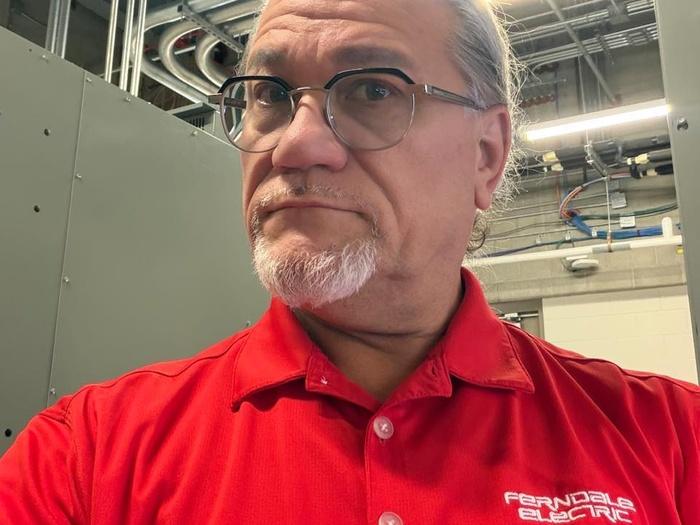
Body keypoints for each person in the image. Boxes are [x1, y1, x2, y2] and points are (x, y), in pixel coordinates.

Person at [1, 0, 698, 523]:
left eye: (372, 90)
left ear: (486, 155)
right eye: (270, 95)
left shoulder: (672, 444)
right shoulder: (83, 460)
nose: (294, 145)